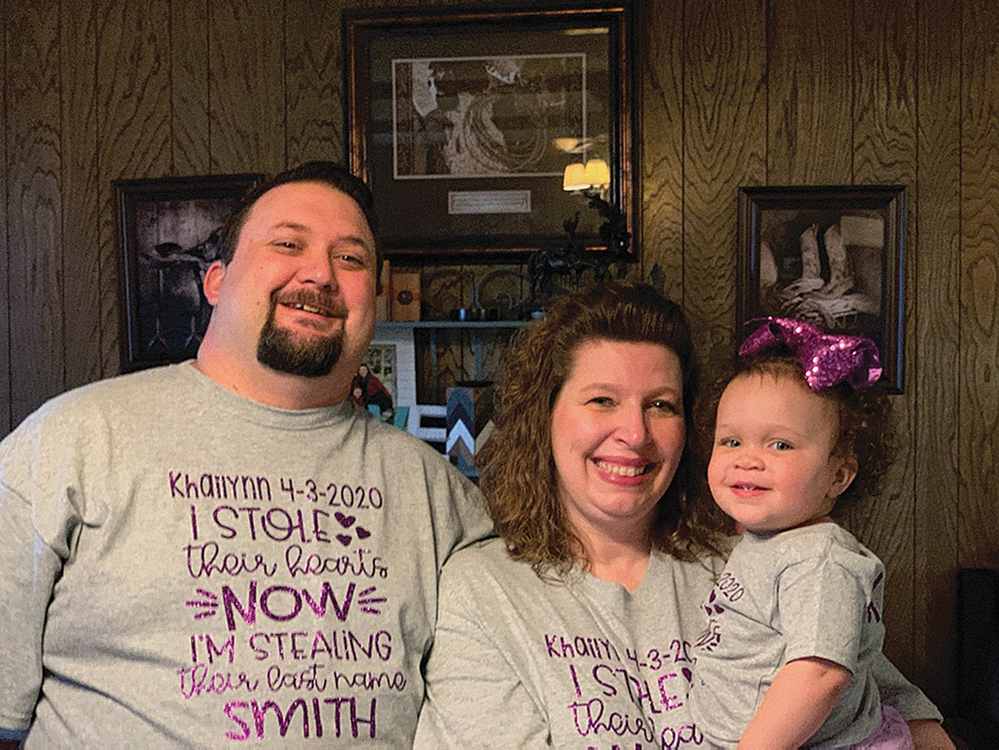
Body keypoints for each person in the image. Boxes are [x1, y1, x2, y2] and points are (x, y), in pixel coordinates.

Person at [0, 162, 491, 748]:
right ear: (215, 281)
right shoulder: (70, 442)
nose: (321, 274)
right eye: (288, 244)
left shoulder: (443, 499)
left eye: (350, 258)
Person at [413, 282, 953, 749]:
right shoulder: (483, 590)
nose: (635, 433)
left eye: (661, 405)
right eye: (602, 400)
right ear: (545, 416)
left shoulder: (758, 560)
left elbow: (895, 710)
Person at [688, 317, 912, 749]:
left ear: (838, 475)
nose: (748, 459)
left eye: (780, 445)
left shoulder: (820, 561)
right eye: (731, 441)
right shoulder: (770, 541)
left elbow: (820, 674)